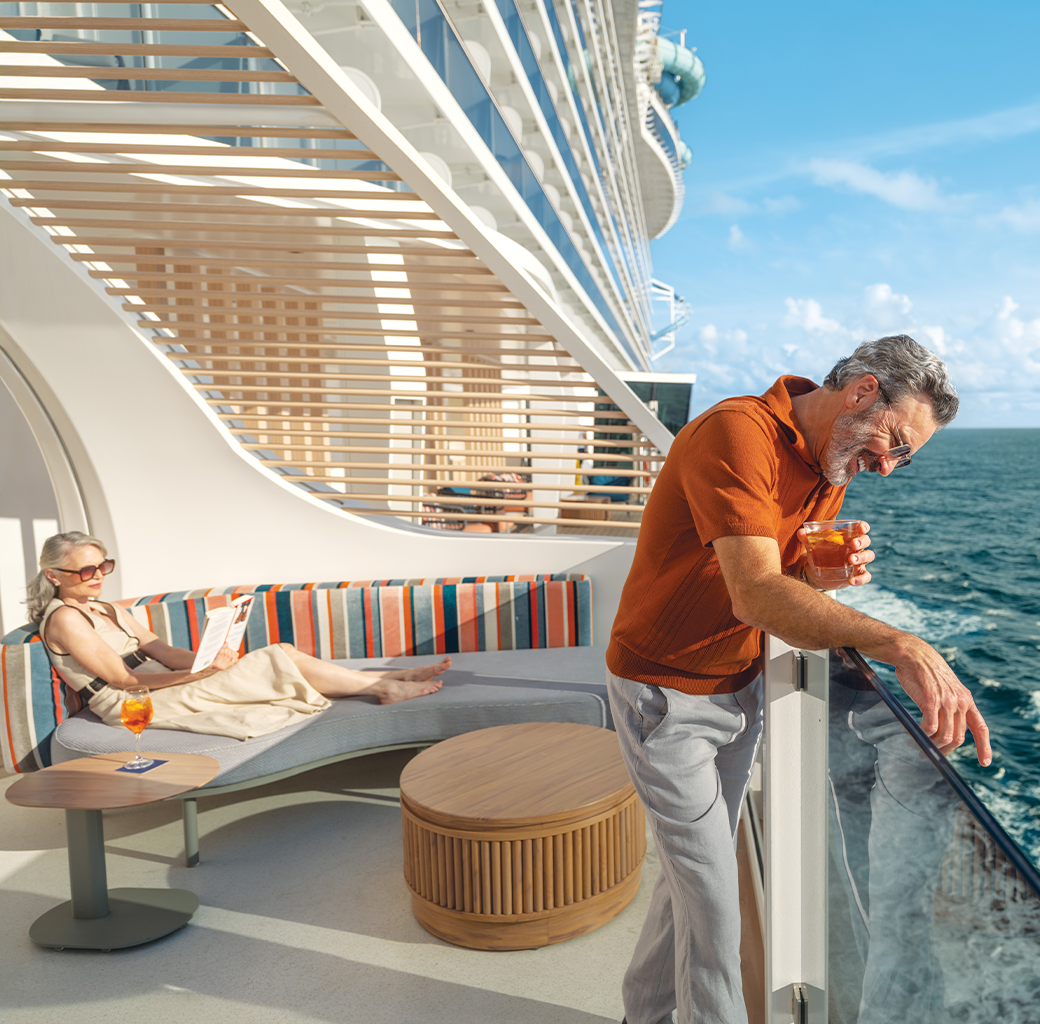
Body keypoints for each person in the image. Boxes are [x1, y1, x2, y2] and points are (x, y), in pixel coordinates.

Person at [606, 335, 992, 1024]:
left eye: (904, 458)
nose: (890, 468)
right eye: (897, 444)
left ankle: (645, 1014)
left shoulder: (831, 461)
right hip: (664, 695)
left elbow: (782, 581)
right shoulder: (738, 432)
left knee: (691, 889)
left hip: (737, 686)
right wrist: (899, 643)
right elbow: (753, 594)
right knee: (717, 917)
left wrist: (824, 579)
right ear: (864, 391)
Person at [27, 532, 450, 741]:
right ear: (53, 575)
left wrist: (205, 660)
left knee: (278, 651)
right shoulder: (64, 619)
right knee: (274, 658)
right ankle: (386, 686)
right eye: (86, 571)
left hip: (160, 683)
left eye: (103, 566)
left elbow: (162, 650)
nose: (98, 576)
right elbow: (122, 681)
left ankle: (387, 682)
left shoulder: (106, 609)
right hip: (132, 703)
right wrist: (198, 677)